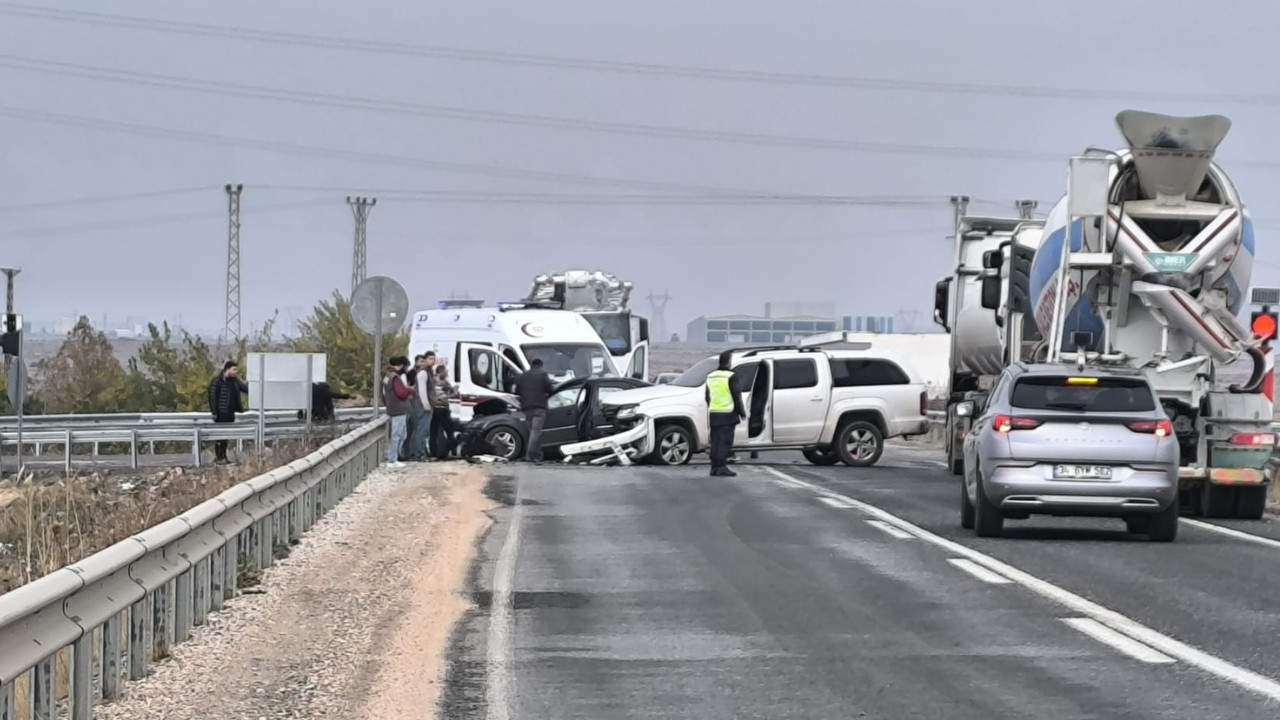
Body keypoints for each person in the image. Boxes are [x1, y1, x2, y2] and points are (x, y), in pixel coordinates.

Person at [704, 350, 746, 477]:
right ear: (728, 362)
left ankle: (714, 467)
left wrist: (712, 407)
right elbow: (736, 395)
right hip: (728, 413)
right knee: (725, 441)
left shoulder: (711, 376)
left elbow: (707, 396)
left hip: (714, 413)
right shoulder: (731, 376)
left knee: (715, 441)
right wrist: (741, 411)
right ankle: (722, 466)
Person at [514, 357, 555, 462]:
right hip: (539, 407)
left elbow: (517, 391)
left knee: (531, 432)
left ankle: (537, 455)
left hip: (526, 407)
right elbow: (550, 389)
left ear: (531, 366)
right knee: (535, 432)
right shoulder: (543, 375)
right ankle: (529, 455)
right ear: (541, 366)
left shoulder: (523, 376)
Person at [207, 360, 248, 465]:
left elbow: (245, 388)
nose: (235, 372)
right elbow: (212, 397)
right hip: (220, 413)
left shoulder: (235, 382)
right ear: (227, 369)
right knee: (219, 436)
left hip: (230, 413)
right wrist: (214, 412)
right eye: (234, 369)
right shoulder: (217, 381)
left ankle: (223, 456)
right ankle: (219, 457)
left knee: (226, 436)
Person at [383, 356, 413, 468]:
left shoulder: (388, 376)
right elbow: (401, 393)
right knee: (397, 434)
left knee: (402, 434)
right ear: (401, 365)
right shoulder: (395, 377)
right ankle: (392, 459)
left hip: (394, 408)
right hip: (398, 410)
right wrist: (410, 390)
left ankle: (394, 456)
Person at [408, 353, 436, 461]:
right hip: (422, 406)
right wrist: (426, 405)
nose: (432, 361)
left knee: (422, 430)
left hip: (424, 406)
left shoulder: (429, 373)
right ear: (425, 360)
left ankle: (419, 453)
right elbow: (422, 391)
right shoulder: (423, 374)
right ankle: (418, 454)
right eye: (430, 359)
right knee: (422, 430)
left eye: (433, 359)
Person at [430, 364, 458, 459]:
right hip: (442, 408)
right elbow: (453, 394)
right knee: (449, 430)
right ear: (441, 372)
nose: (446, 373)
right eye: (445, 371)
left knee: (433, 431)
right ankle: (453, 449)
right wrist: (454, 391)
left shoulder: (432, 381)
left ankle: (433, 452)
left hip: (433, 409)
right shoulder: (444, 382)